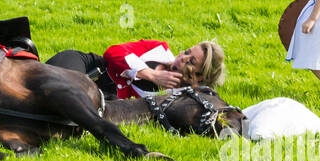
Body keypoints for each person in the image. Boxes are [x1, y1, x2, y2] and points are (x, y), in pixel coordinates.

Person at [47, 39, 226, 101]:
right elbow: (113, 52)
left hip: (100, 100)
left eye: (191, 61)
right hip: (90, 66)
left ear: (199, 78)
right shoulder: (158, 49)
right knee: (59, 83)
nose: (183, 56)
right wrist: (152, 75)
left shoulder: (176, 98)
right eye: (187, 51)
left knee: (68, 99)